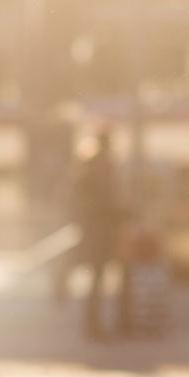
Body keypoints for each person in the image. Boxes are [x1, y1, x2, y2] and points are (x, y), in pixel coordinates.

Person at [68, 126, 126, 339]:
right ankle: (95, 325)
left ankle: (94, 324)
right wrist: (121, 213)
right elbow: (106, 199)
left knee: (97, 278)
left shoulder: (88, 165)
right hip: (100, 229)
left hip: (93, 228)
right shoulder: (102, 166)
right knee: (98, 278)